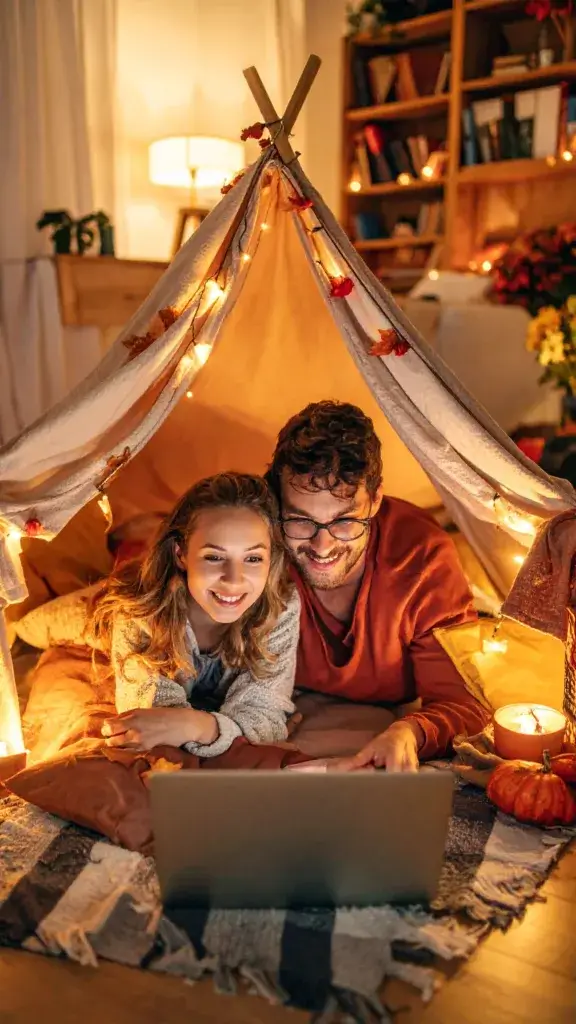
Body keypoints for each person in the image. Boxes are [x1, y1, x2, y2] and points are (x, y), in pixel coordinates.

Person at [267, 400, 490, 772]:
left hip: (384, 732)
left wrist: (410, 733)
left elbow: (464, 704)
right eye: (301, 521)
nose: (322, 547)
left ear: (375, 500)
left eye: (344, 521)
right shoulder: (257, 545)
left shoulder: (422, 556)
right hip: (280, 735)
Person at [92, 472, 300, 757]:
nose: (233, 580)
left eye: (252, 558)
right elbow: (150, 716)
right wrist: (225, 729)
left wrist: (194, 725)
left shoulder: (281, 605)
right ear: (181, 553)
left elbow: (265, 715)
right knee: (45, 622)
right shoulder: (137, 607)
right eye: (214, 557)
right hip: (107, 600)